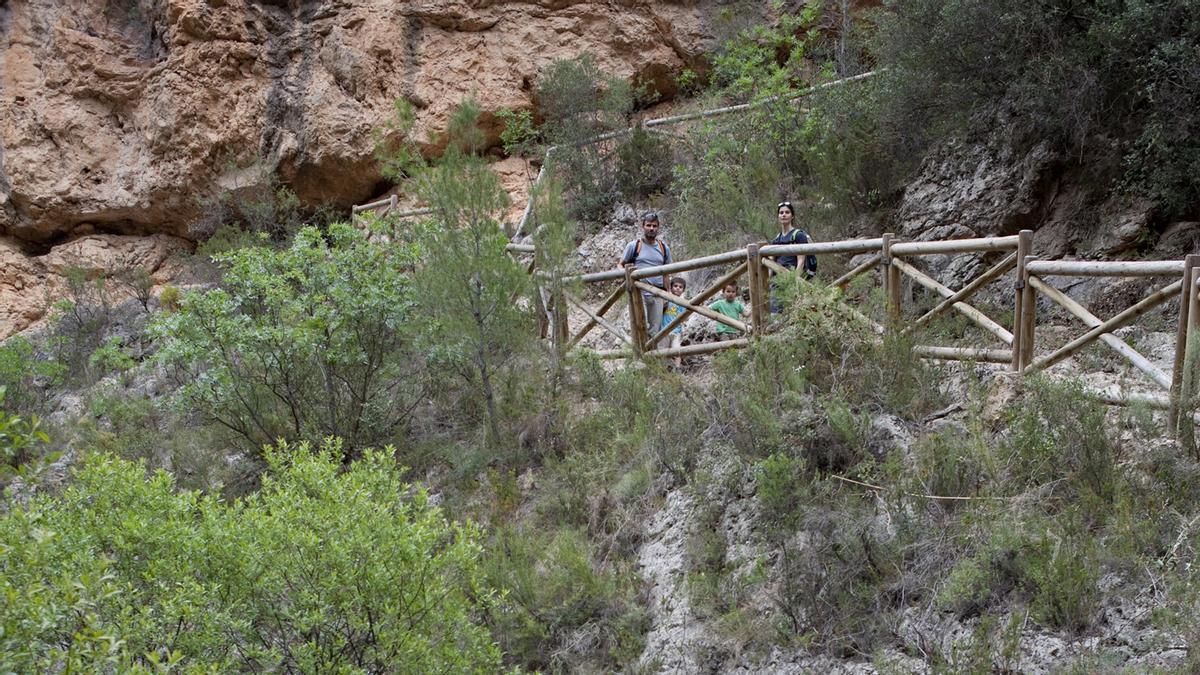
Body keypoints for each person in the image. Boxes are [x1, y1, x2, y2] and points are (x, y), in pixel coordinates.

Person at [619, 212, 672, 337]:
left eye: (654, 226)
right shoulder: (634, 246)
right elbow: (621, 265)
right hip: (639, 293)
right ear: (643, 227)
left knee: (656, 328)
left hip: (658, 293)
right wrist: (627, 277)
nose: (651, 228)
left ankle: (652, 354)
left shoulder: (664, 248)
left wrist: (667, 294)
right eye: (648, 225)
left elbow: (666, 272)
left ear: (658, 227)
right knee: (640, 325)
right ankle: (641, 354)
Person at [768, 200, 817, 313]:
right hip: (777, 281)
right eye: (781, 213)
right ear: (778, 216)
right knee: (775, 313)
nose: (784, 215)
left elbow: (801, 260)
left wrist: (795, 280)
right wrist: (767, 282)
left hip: (792, 278)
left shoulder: (798, 235)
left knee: (793, 311)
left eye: (787, 212)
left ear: (792, 216)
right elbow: (771, 262)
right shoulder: (776, 239)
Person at [662, 278, 688, 368]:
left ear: (683, 290)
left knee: (677, 351)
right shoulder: (666, 299)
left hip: (676, 331)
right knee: (662, 351)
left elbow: (685, 317)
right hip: (663, 331)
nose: (677, 288)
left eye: (680, 287)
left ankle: (677, 368)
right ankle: (663, 368)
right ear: (671, 287)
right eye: (675, 286)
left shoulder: (682, 303)